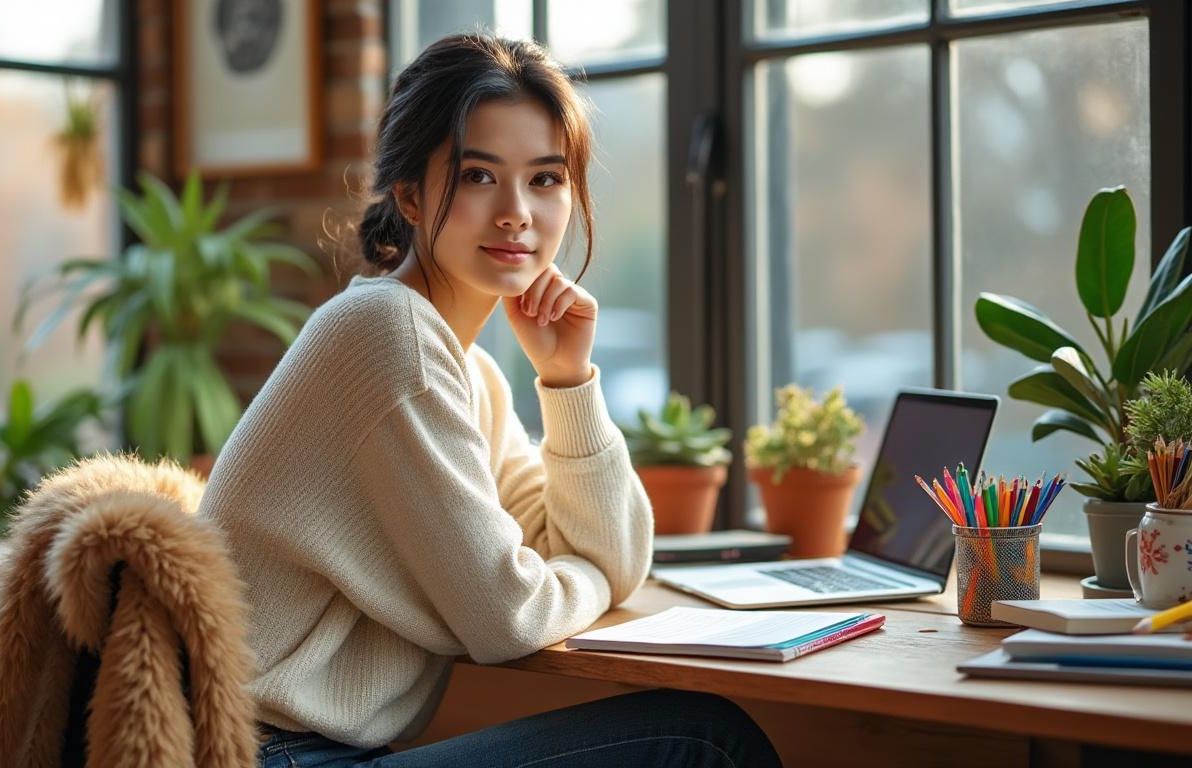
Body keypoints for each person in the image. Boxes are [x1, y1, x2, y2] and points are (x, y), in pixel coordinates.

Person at [198, 32, 781, 768]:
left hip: (308, 749)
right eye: (479, 176)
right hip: (270, 754)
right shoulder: (387, 337)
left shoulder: (467, 371)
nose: (516, 213)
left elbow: (614, 559)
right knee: (703, 740)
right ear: (409, 195)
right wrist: (586, 579)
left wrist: (568, 381)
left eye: (545, 179)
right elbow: (511, 616)